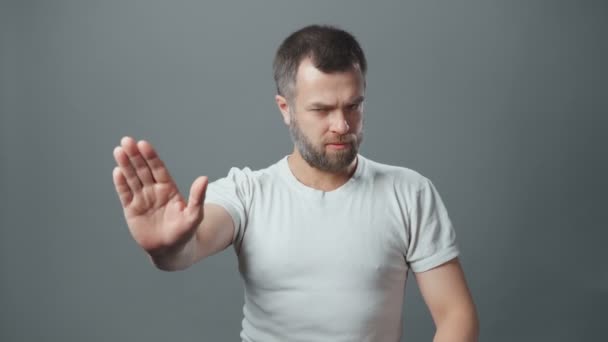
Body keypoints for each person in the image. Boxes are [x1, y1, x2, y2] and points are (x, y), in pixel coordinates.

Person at [112, 24, 479, 342]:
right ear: (285, 109)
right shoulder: (247, 193)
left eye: (353, 106)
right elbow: (188, 248)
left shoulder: (409, 192)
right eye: (321, 110)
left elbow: (456, 315)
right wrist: (166, 248)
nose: (342, 125)